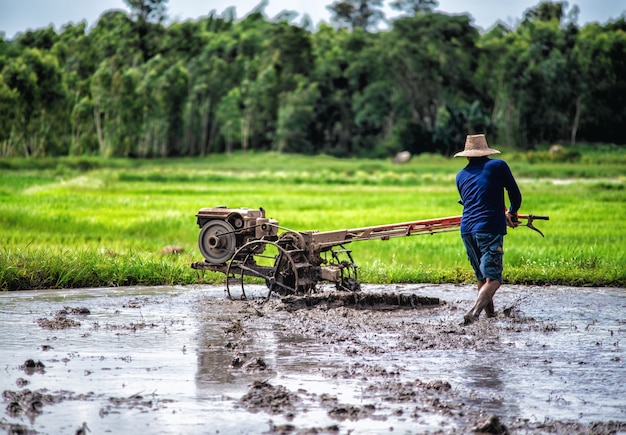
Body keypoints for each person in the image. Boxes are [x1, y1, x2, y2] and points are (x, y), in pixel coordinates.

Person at [454, 134, 522, 325]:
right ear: (486, 152)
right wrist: (513, 211)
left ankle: (490, 317)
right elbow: (515, 194)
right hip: (489, 228)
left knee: (481, 277)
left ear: (467, 156)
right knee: (494, 279)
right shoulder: (498, 165)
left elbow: (474, 200)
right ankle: (474, 313)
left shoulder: (460, 176)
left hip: (466, 229)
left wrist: (504, 212)